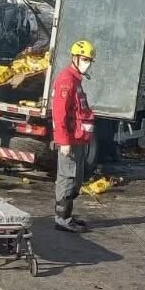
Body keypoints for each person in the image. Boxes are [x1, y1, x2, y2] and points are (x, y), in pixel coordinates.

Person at [50, 39, 96, 234]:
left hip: (77, 139)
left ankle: (67, 214)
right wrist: (63, 141)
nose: (87, 63)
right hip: (69, 140)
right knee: (67, 178)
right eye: (85, 59)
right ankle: (62, 219)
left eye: (89, 60)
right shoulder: (66, 80)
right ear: (75, 58)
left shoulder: (76, 80)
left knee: (76, 178)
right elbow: (59, 113)